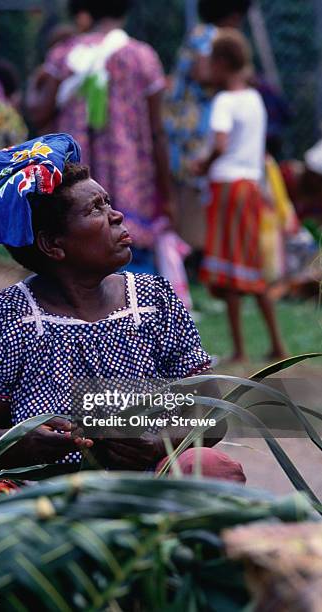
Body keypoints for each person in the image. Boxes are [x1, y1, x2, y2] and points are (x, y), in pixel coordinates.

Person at [0, 133, 245, 482]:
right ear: (52, 244)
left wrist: (159, 443)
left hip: (149, 486)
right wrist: (24, 441)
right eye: (95, 209)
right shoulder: (6, 320)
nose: (117, 215)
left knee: (210, 467)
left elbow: (212, 414)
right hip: (41, 497)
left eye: (108, 202)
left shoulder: (154, 301)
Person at [26, 0, 173, 275]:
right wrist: (167, 192)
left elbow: (39, 113)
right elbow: (157, 132)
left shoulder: (64, 55)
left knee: (75, 265)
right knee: (133, 266)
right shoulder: (142, 56)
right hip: (132, 183)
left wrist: (36, 83)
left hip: (74, 182)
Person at [193, 30, 286, 362]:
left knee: (230, 269)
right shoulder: (254, 98)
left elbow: (219, 145)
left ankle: (239, 349)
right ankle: (276, 343)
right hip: (250, 186)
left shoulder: (224, 101)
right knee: (251, 266)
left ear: (221, 63)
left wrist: (201, 166)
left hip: (227, 187)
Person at [164, 0, 252, 275]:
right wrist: (235, 79)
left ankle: (191, 256)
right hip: (190, 127)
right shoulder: (209, 35)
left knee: (190, 190)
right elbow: (202, 71)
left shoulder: (200, 32)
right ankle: (191, 256)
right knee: (192, 189)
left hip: (186, 123)